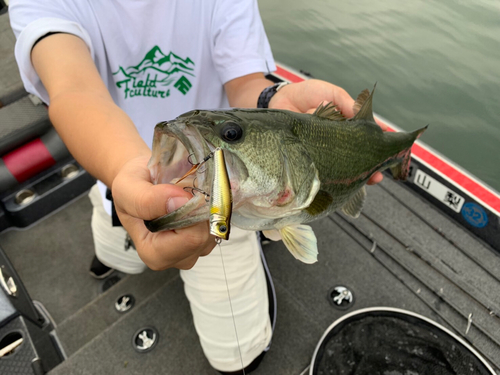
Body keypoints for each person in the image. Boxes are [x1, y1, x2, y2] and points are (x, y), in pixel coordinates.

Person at [9, 0, 385, 373]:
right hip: (113, 175)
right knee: (116, 253)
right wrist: (125, 170)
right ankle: (119, 252)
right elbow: (74, 92)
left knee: (237, 356)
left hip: (224, 206)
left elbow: (245, 80)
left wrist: (271, 98)